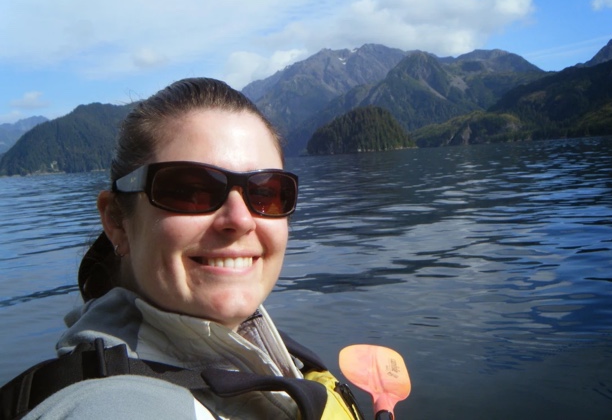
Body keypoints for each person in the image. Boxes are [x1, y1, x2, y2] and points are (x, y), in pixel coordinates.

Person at [2, 78, 363, 420]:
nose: (240, 219)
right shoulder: (111, 408)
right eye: (192, 191)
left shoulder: (251, 346)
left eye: (265, 193)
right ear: (116, 219)